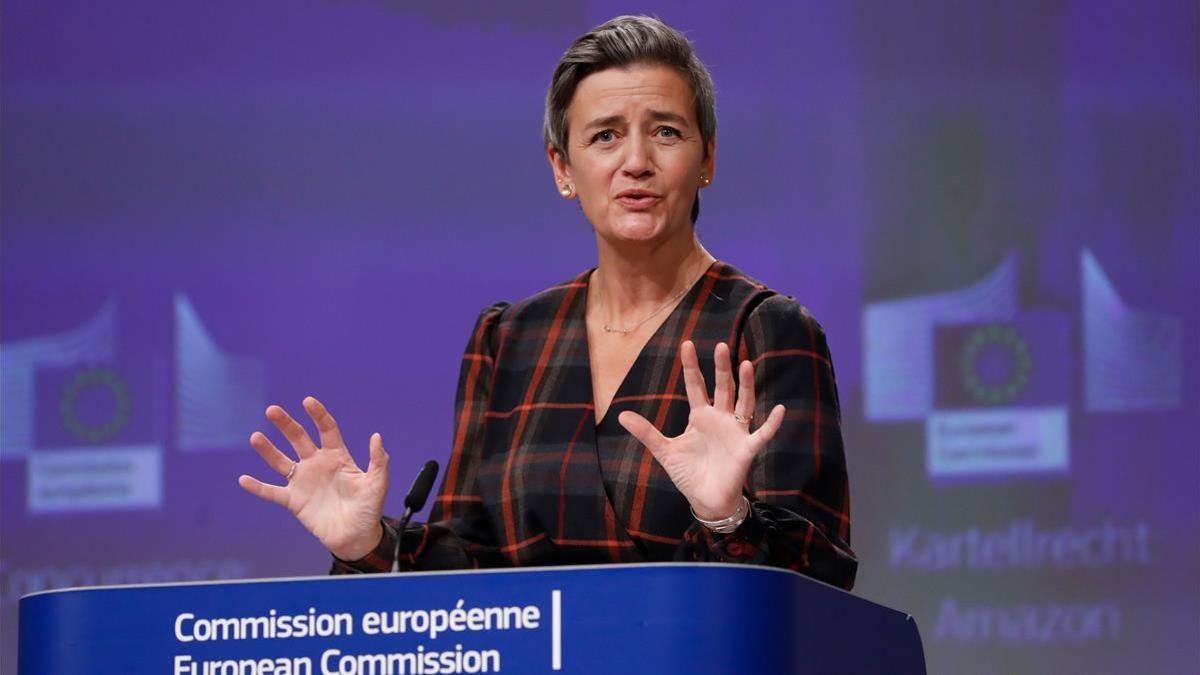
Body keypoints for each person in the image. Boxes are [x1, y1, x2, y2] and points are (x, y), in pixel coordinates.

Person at [238, 15, 857, 591]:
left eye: (665, 131)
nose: (636, 162)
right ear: (563, 168)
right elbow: (470, 568)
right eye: (605, 136)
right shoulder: (510, 337)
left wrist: (728, 520)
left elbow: (819, 581)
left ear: (707, 159)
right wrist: (368, 542)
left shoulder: (768, 330)